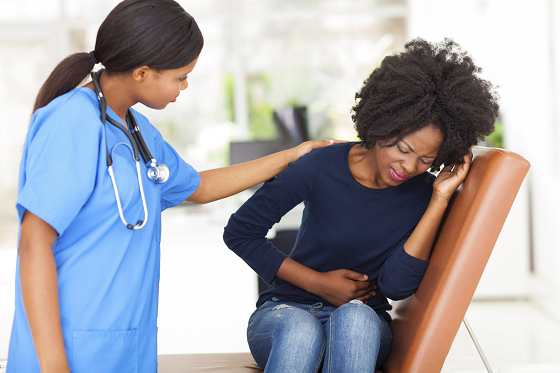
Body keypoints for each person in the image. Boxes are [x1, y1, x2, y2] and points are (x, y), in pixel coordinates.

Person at [6, 1, 338, 372]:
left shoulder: (138, 131)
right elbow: (34, 243)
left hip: (124, 346)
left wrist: (291, 156)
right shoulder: (71, 121)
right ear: (143, 72)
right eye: (180, 76)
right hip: (66, 350)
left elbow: (200, 186)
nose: (184, 86)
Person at [223, 38, 500, 373]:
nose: (409, 166)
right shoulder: (319, 166)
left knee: (354, 316)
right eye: (402, 147)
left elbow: (396, 287)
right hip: (286, 310)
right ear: (382, 123)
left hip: (363, 322)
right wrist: (318, 283)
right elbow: (241, 232)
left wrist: (439, 198)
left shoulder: (425, 194)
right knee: (301, 331)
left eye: (426, 159)